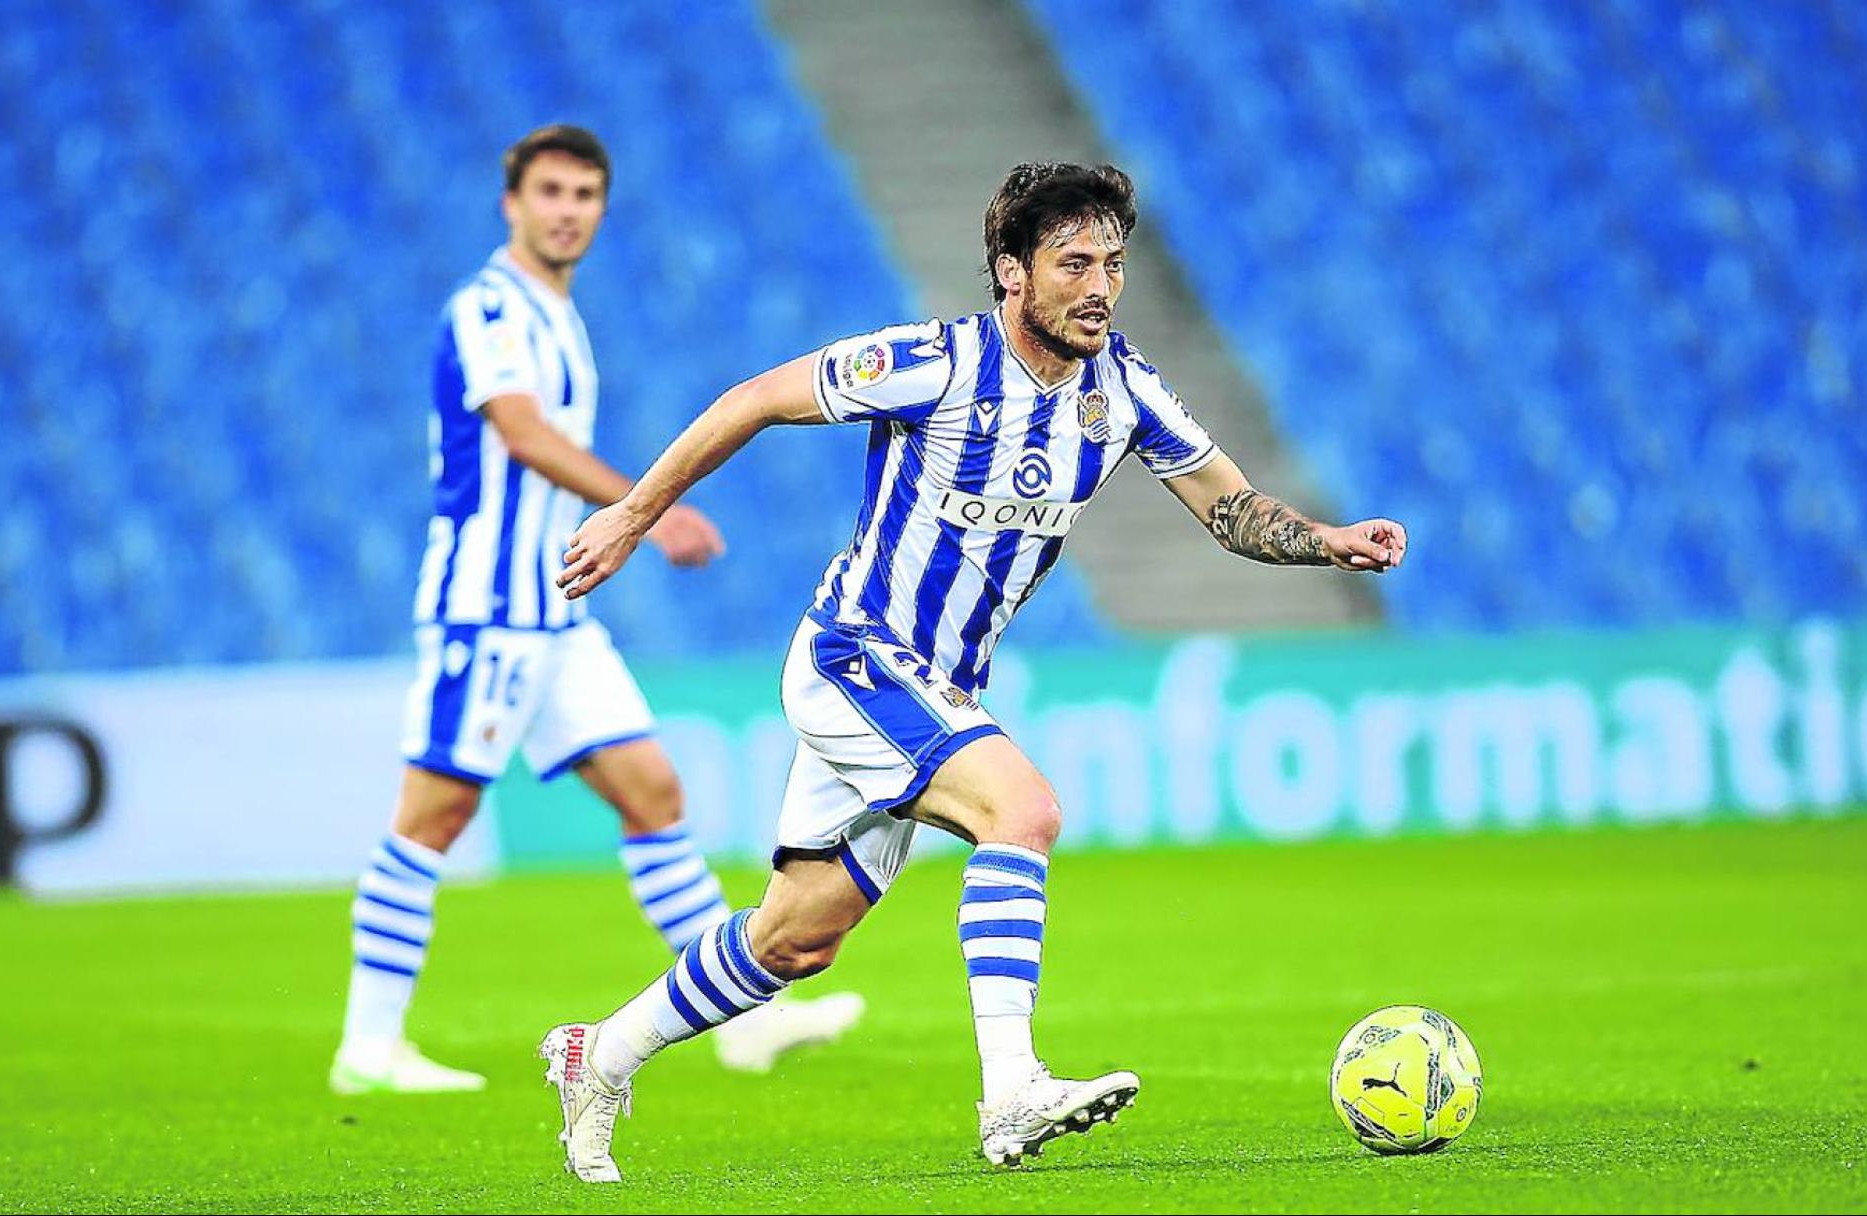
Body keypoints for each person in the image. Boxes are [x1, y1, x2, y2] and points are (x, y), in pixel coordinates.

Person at [538, 161, 1407, 1178]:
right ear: (1011, 271)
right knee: (1023, 811)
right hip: (855, 655)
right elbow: (757, 398)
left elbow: (1230, 508)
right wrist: (632, 516)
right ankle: (1011, 1093)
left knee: (796, 939)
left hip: (938, 687)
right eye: (1073, 262)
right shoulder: (934, 364)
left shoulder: (1123, 390)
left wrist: (1325, 539)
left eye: (1114, 263)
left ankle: (599, 1054)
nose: (1100, 286)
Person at [330, 124, 863, 1095]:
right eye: (550, 193)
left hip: (558, 607)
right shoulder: (489, 307)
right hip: (488, 605)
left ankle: (747, 1019)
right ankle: (368, 1045)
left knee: (653, 794)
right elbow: (523, 435)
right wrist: (642, 512)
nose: (567, 211)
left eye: (584, 196)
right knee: (433, 816)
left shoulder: (557, 314)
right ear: (513, 203)